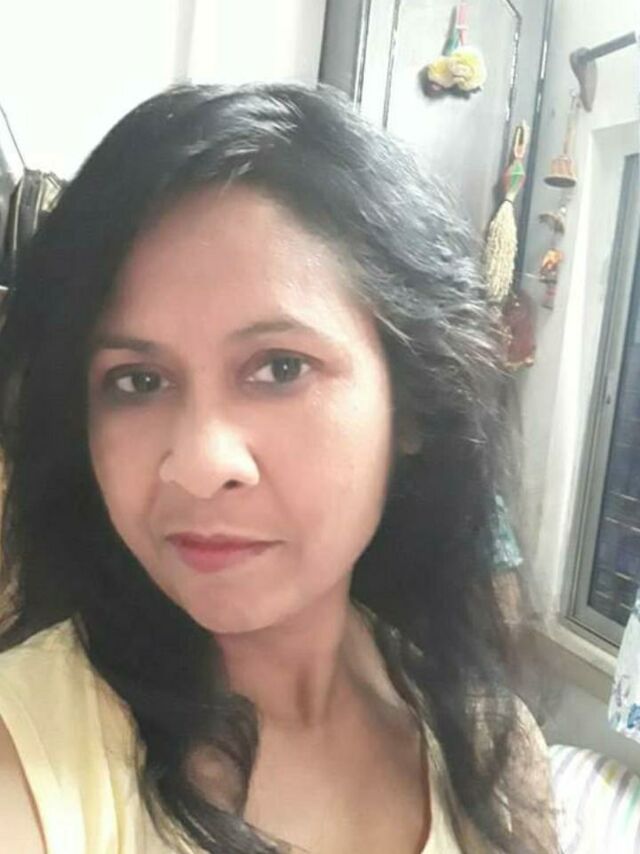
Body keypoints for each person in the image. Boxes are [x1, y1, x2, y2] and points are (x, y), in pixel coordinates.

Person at [0, 83, 558, 853]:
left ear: (412, 403)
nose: (201, 465)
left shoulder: (492, 750)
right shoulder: (30, 760)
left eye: (280, 367)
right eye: (137, 380)